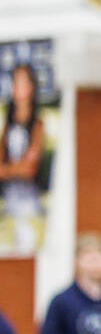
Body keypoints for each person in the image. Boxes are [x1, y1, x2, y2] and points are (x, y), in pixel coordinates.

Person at [1, 64, 45, 254]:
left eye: (23, 83)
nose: (18, 88)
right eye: (15, 83)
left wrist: (10, 170)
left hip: (29, 195)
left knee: (29, 240)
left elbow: (29, 167)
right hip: (9, 195)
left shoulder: (37, 122)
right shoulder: (7, 123)